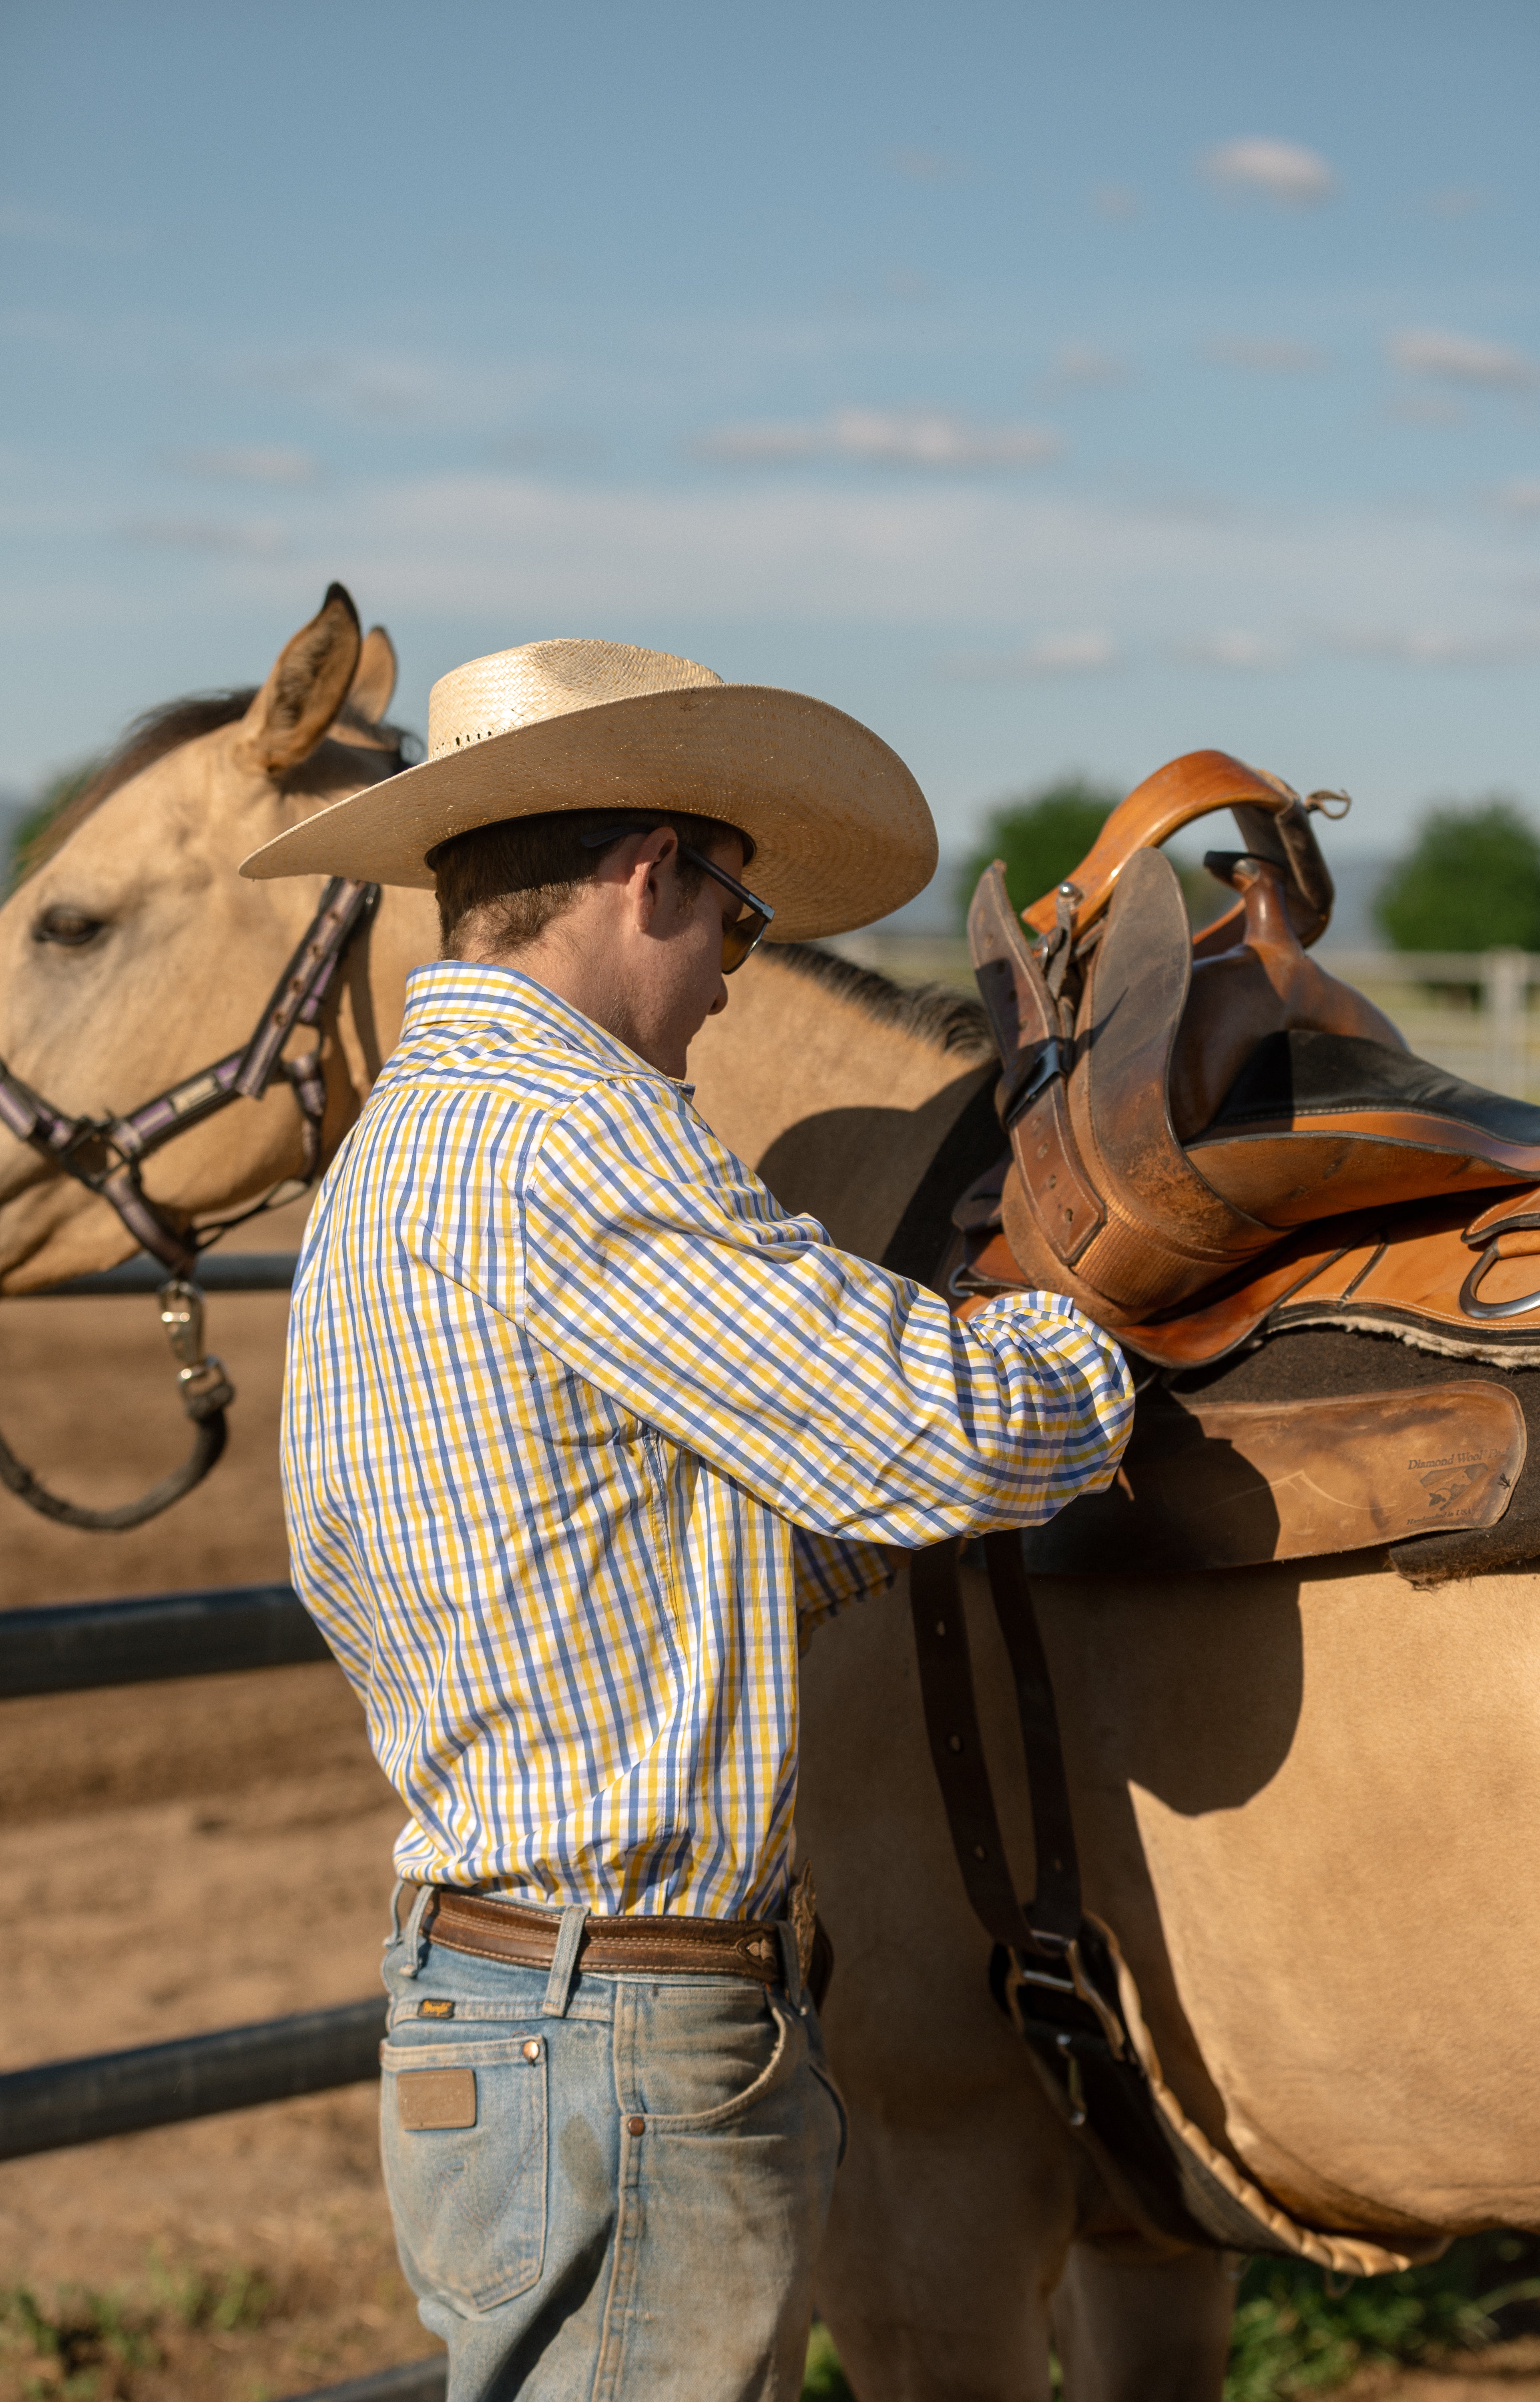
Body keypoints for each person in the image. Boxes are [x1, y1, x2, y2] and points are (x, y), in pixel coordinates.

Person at [241, 637, 1134, 2401]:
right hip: (625, 2028)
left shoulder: (396, 1158)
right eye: (737, 917)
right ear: (651, 868)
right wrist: (1111, 1328)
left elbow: (609, 1557)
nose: (737, 976)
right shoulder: (574, 1135)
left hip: (506, 2004)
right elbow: (947, 1437)